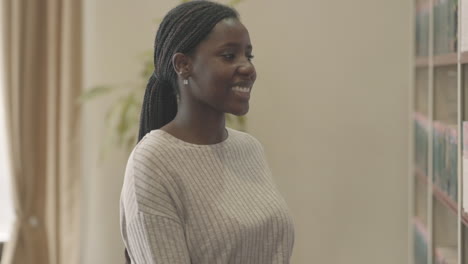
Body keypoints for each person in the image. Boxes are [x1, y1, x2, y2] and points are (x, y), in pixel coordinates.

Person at [119, 1, 295, 263]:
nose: (247, 67)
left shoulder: (249, 148)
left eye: (249, 55)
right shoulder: (152, 162)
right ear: (183, 65)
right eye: (229, 56)